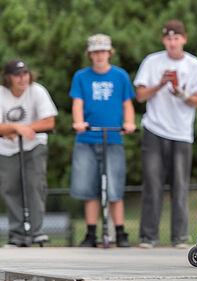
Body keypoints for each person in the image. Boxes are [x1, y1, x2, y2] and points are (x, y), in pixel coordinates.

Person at [134, 19, 197, 249]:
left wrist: (181, 94)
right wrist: (160, 84)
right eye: (168, 38)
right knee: (152, 183)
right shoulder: (152, 61)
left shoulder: (195, 65)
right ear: (163, 40)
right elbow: (140, 96)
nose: (172, 42)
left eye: (176, 38)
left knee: (180, 185)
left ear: (183, 39)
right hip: (154, 129)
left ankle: (179, 236)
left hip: (182, 132)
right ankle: (148, 236)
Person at [70, 34, 136, 247]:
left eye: (103, 52)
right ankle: (90, 233)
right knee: (88, 188)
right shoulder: (81, 76)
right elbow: (77, 103)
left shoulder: (120, 76)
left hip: (113, 137)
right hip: (87, 138)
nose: (99, 56)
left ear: (109, 53)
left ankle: (120, 232)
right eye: (95, 52)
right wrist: (79, 122)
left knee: (115, 188)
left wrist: (129, 123)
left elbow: (127, 103)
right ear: (90, 54)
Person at [0, 58, 57, 247]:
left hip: (34, 144)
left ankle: (37, 231)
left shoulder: (37, 91)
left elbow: (49, 121)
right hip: (7, 150)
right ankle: (17, 235)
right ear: (8, 78)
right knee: (9, 188)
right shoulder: (1, 94)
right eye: (17, 75)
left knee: (34, 185)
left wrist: (22, 129)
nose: (22, 78)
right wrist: (16, 127)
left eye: (25, 74)